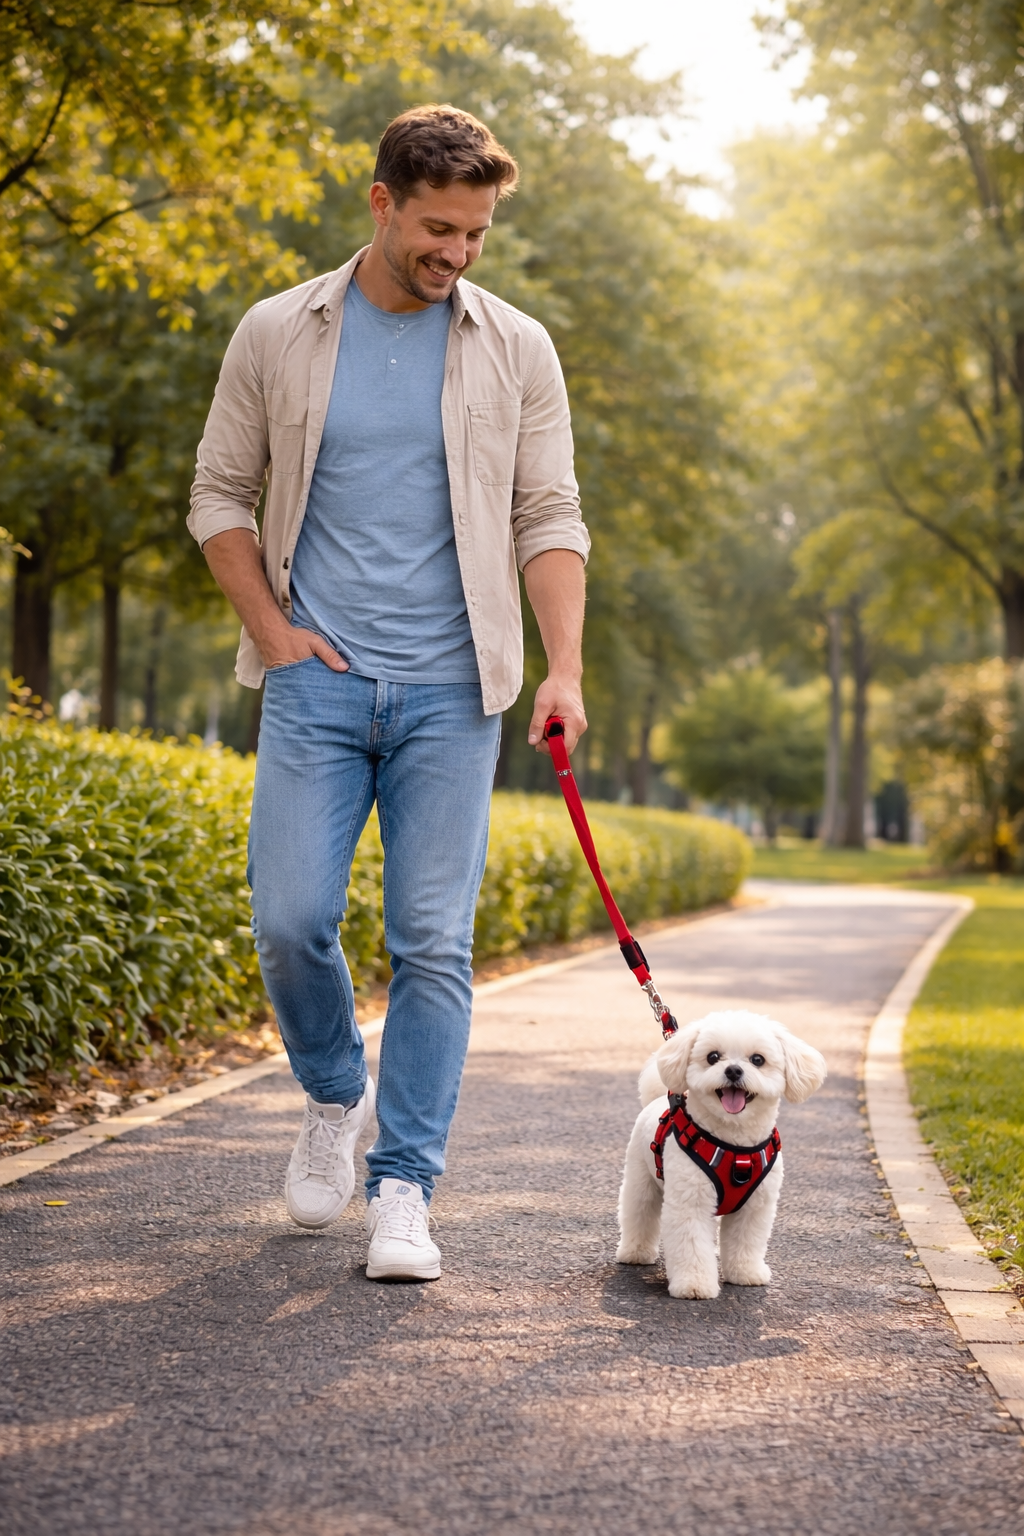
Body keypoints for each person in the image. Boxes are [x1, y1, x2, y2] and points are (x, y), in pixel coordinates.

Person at [188, 104, 588, 1281]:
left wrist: (562, 668)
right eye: (435, 227)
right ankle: (330, 1095)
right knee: (290, 919)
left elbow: (547, 513)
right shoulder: (281, 329)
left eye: (474, 232)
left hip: (454, 694)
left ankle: (404, 1185)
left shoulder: (518, 347)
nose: (455, 252)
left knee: (431, 943)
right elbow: (219, 495)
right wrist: (274, 632)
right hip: (316, 683)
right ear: (380, 202)